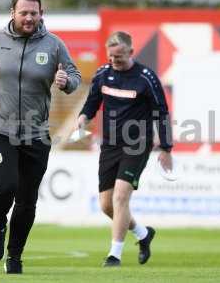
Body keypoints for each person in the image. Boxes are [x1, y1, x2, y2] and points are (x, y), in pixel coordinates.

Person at [0, 0, 81, 274]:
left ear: (41, 14)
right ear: (12, 13)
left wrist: (66, 82)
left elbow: (75, 77)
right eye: (24, 12)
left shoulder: (54, 45)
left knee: (27, 200)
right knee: (6, 187)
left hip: (36, 134)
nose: (29, 18)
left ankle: (14, 257)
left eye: (34, 13)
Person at [77, 31, 173, 267]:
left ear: (131, 52)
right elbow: (92, 102)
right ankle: (142, 234)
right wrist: (83, 118)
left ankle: (114, 255)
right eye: (111, 57)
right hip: (110, 145)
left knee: (121, 196)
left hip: (137, 144)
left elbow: (161, 112)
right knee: (106, 205)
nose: (114, 61)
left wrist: (166, 147)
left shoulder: (146, 77)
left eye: (119, 57)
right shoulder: (102, 73)